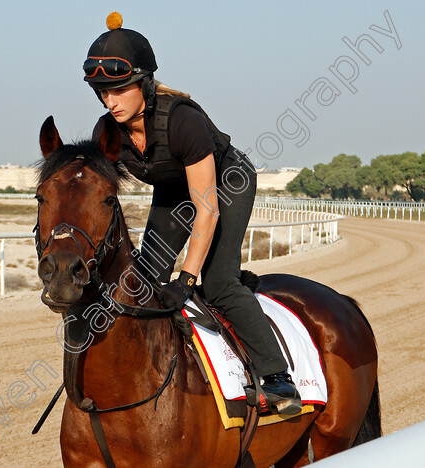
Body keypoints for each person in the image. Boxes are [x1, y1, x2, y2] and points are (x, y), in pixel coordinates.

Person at [85, 12, 301, 413]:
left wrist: (186, 278)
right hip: (174, 189)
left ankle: (278, 379)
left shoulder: (183, 120)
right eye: (102, 91)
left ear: (144, 84)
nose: (109, 101)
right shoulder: (108, 129)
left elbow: (206, 210)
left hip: (226, 184)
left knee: (216, 282)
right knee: (142, 282)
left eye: (118, 90)